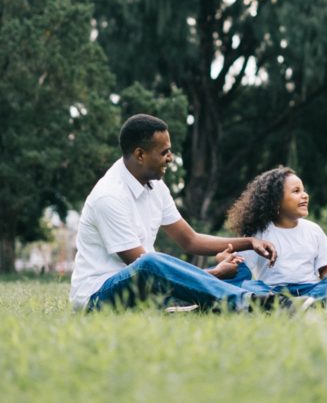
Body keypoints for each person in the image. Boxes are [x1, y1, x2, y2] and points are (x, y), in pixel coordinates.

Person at [69, 114, 288, 313]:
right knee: (150, 262)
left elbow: (190, 240)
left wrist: (250, 242)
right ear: (140, 155)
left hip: (147, 288)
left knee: (238, 271)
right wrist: (215, 274)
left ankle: (275, 299)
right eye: (164, 152)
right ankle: (246, 302)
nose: (171, 158)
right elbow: (146, 269)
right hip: (99, 297)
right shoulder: (109, 196)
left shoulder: (155, 186)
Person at [224, 167, 327, 305]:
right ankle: (295, 304)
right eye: (296, 191)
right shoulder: (259, 234)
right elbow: (241, 267)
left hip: (309, 288)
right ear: (275, 200)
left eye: (303, 190)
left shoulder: (313, 230)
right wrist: (228, 260)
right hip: (273, 291)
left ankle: (300, 304)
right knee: (248, 287)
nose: (305, 195)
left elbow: (324, 270)